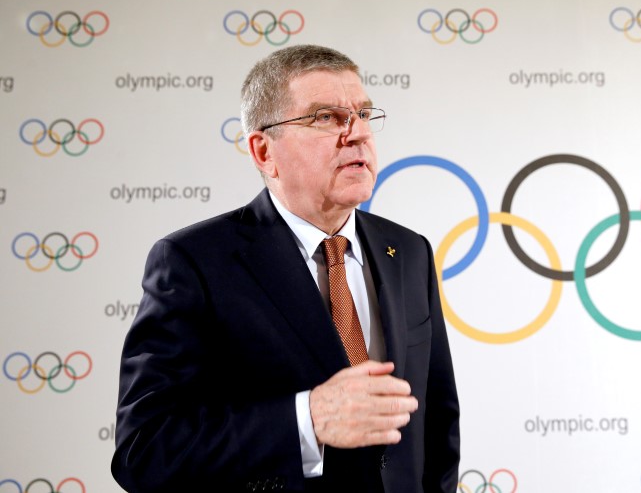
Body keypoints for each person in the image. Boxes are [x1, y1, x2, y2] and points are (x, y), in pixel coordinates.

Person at [111, 44, 460, 492]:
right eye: (326, 117)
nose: (357, 134)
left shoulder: (408, 250)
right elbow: (144, 450)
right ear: (263, 150)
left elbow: (438, 420)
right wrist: (307, 420)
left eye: (364, 114)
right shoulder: (195, 262)